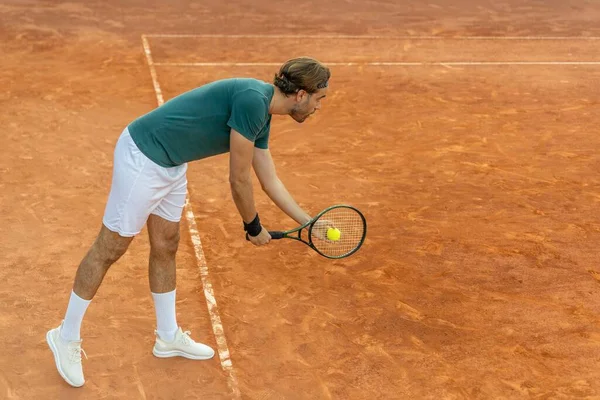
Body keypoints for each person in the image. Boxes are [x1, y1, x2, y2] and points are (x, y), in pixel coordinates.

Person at [46, 57, 330, 387]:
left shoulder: (262, 112)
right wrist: (252, 226)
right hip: (144, 156)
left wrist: (308, 221)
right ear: (301, 95)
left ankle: (167, 337)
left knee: (166, 244)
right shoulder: (253, 101)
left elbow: (269, 180)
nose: (318, 107)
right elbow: (239, 179)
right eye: (319, 99)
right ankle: (65, 336)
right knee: (110, 248)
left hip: (172, 164)